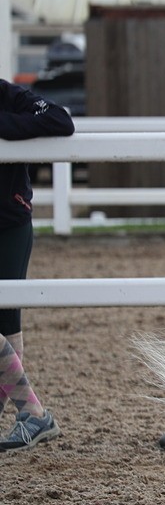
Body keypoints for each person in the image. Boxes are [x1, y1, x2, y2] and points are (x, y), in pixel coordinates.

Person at [0, 78, 75, 452]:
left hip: (9, 224)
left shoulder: (8, 95)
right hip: (11, 222)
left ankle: (32, 414)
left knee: (7, 323)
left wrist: (4, 126)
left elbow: (61, 121)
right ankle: (32, 414)